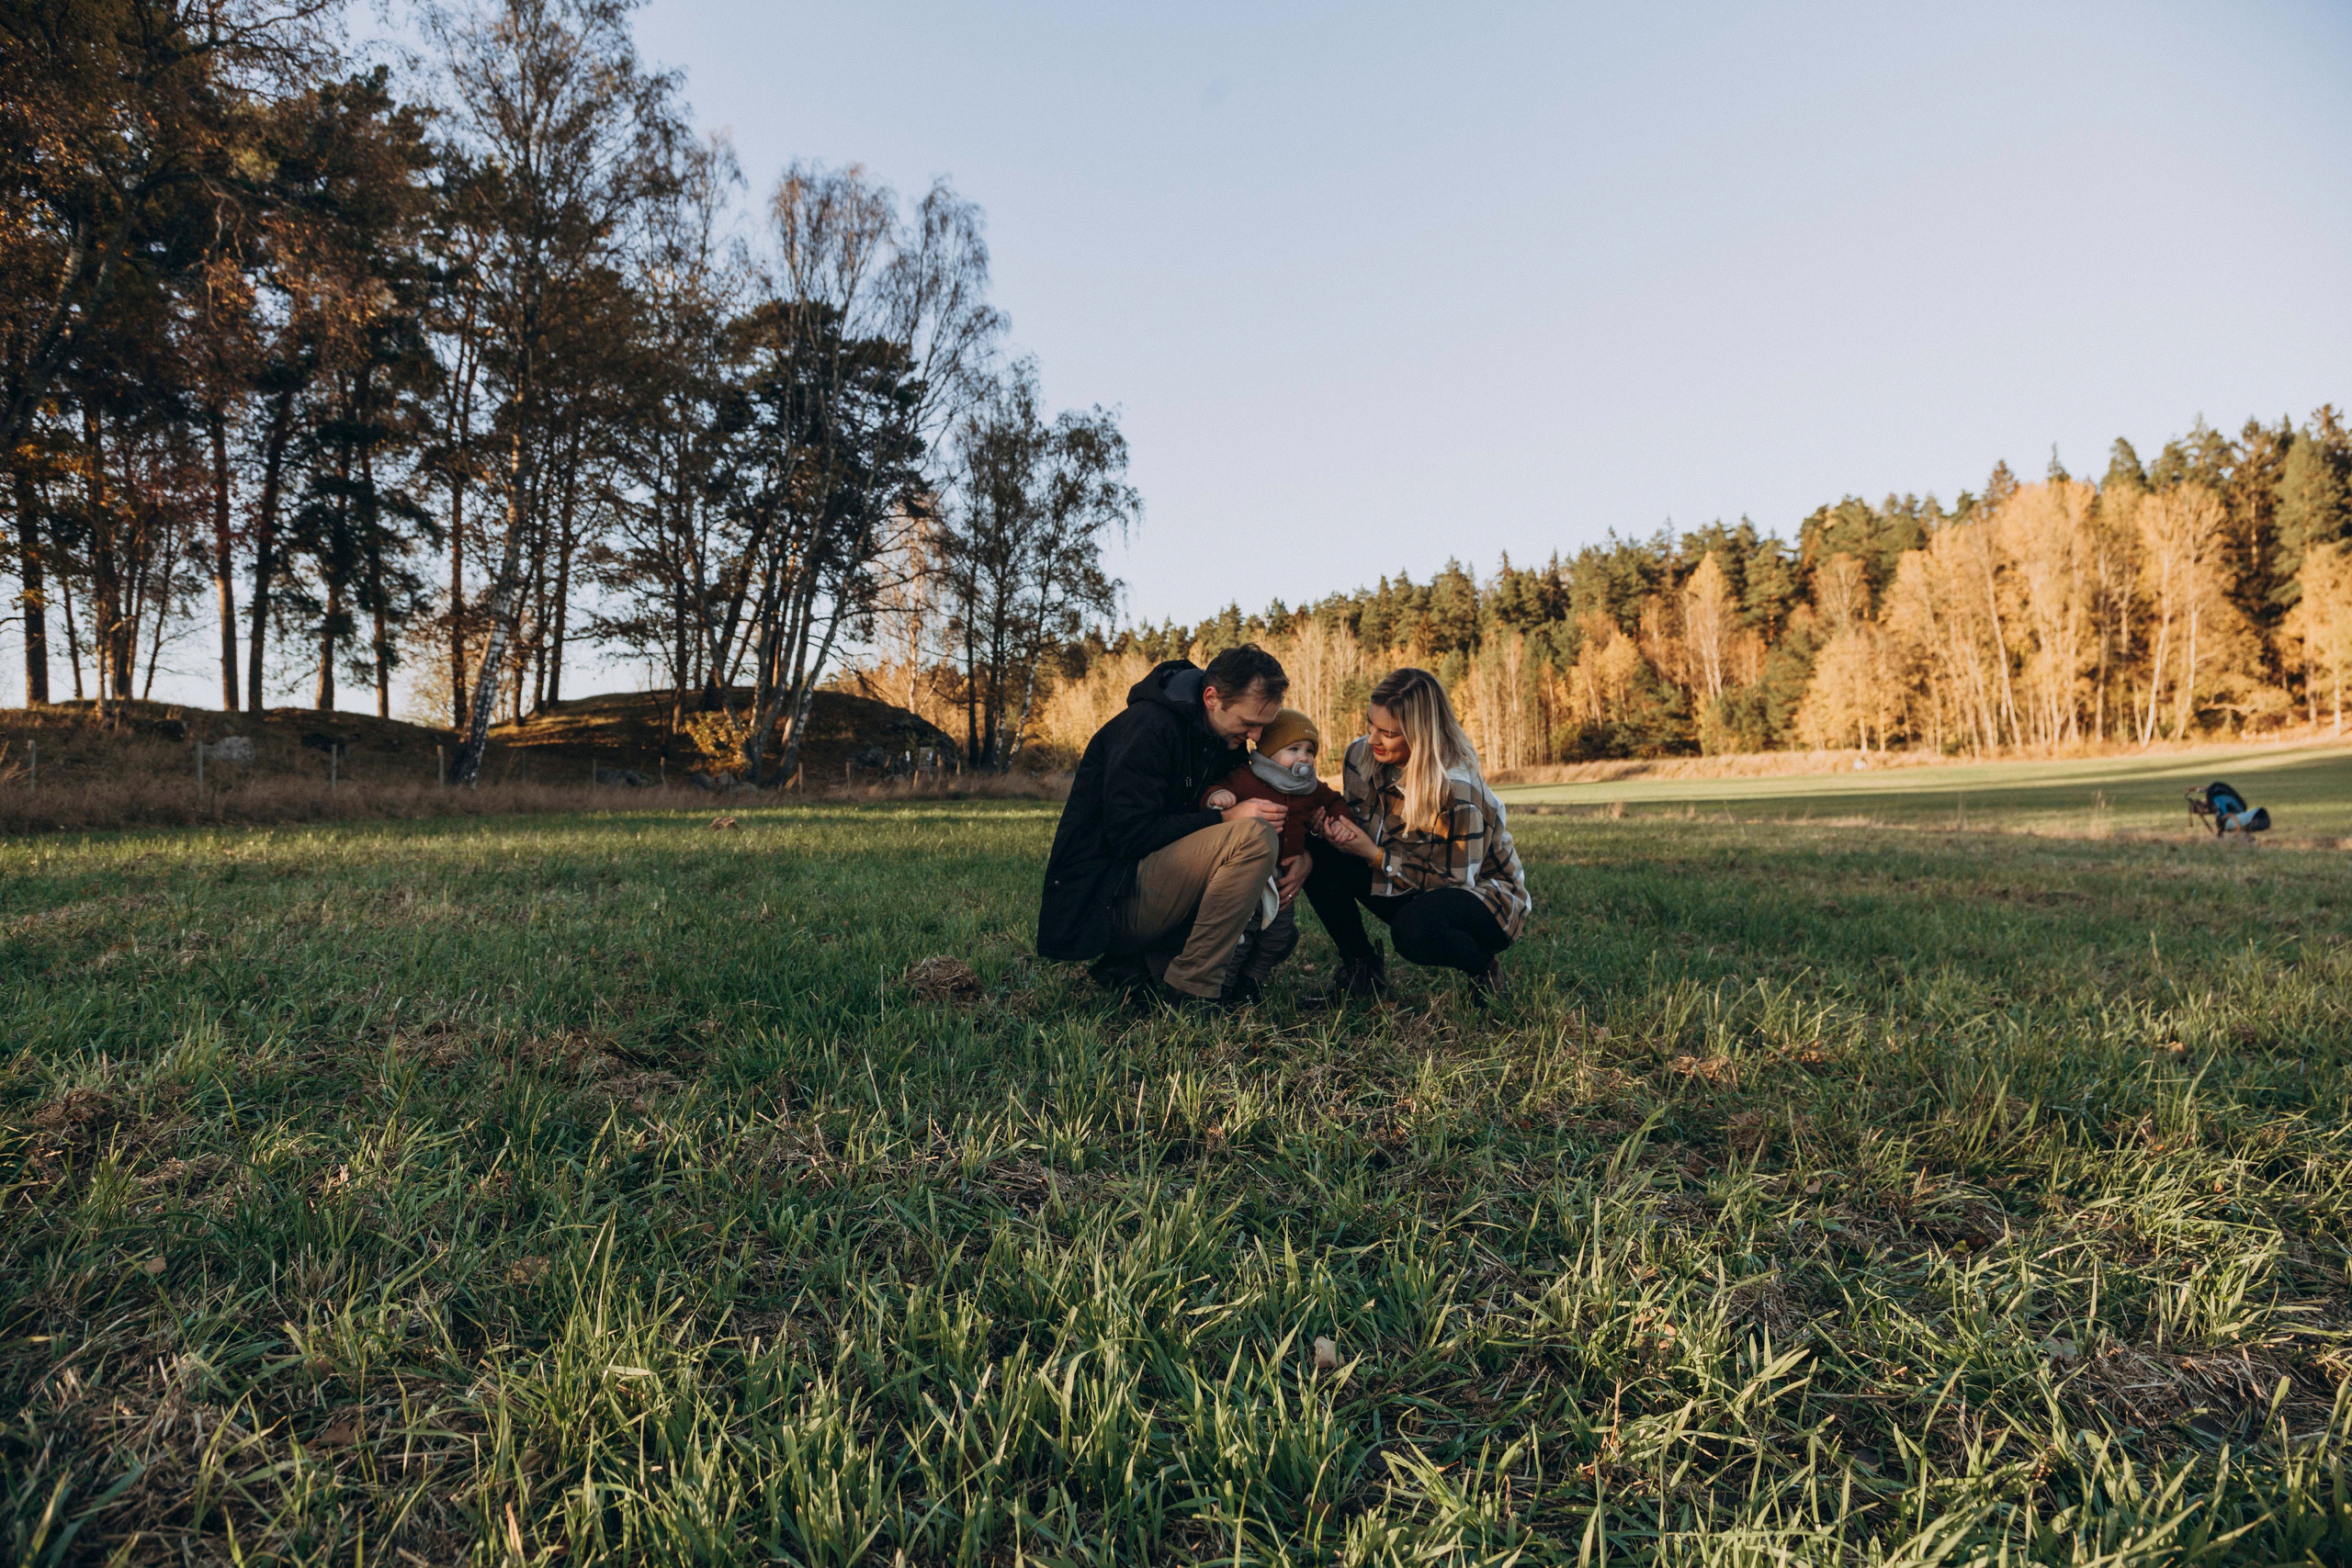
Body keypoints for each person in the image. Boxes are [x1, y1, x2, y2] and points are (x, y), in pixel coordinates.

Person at [1036, 644, 1307, 1005]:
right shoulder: (1147, 727)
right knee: (1252, 837)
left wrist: (1305, 857)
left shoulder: (1223, 739)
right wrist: (1222, 818)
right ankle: (1193, 991)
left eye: (1264, 726)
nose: (1257, 736)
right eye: (1249, 723)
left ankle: (1141, 969)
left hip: (1158, 888)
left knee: (1275, 930)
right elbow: (1129, 837)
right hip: (1108, 899)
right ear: (1211, 697)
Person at [1305, 667, 1530, 1003]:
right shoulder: (1359, 755)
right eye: (1370, 724)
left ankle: (1485, 969)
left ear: (1421, 733)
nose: (1372, 739)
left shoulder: (1456, 789)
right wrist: (1330, 826)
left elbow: (1455, 881)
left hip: (1481, 898)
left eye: (1388, 733)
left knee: (1413, 931)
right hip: (1401, 875)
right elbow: (1358, 823)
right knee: (1317, 851)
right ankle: (1362, 970)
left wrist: (1375, 856)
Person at [1197, 707, 1368, 1002]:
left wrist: (1341, 820)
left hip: (1282, 882)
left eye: (1309, 750)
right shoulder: (1246, 780)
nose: (1304, 758)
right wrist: (1216, 798)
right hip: (1247, 880)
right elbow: (1214, 792)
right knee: (1240, 937)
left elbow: (1334, 800)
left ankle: (1251, 982)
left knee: (1277, 936)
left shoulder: (1309, 788)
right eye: (1293, 749)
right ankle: (1222, 990)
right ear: (1268, 750)